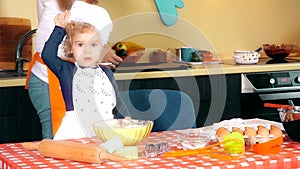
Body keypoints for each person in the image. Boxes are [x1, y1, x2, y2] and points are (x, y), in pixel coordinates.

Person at [27, 0, 123, 139]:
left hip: (103, 129)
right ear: (71, 49)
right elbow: (47, 54)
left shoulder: (105, 73)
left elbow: (117, 104)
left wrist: (125, 122)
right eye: (80, 45)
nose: (87, 51)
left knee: (115, 151)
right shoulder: (67, 71)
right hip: (74, 130)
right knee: (58, 150)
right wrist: (59, 29)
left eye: (93, 45)